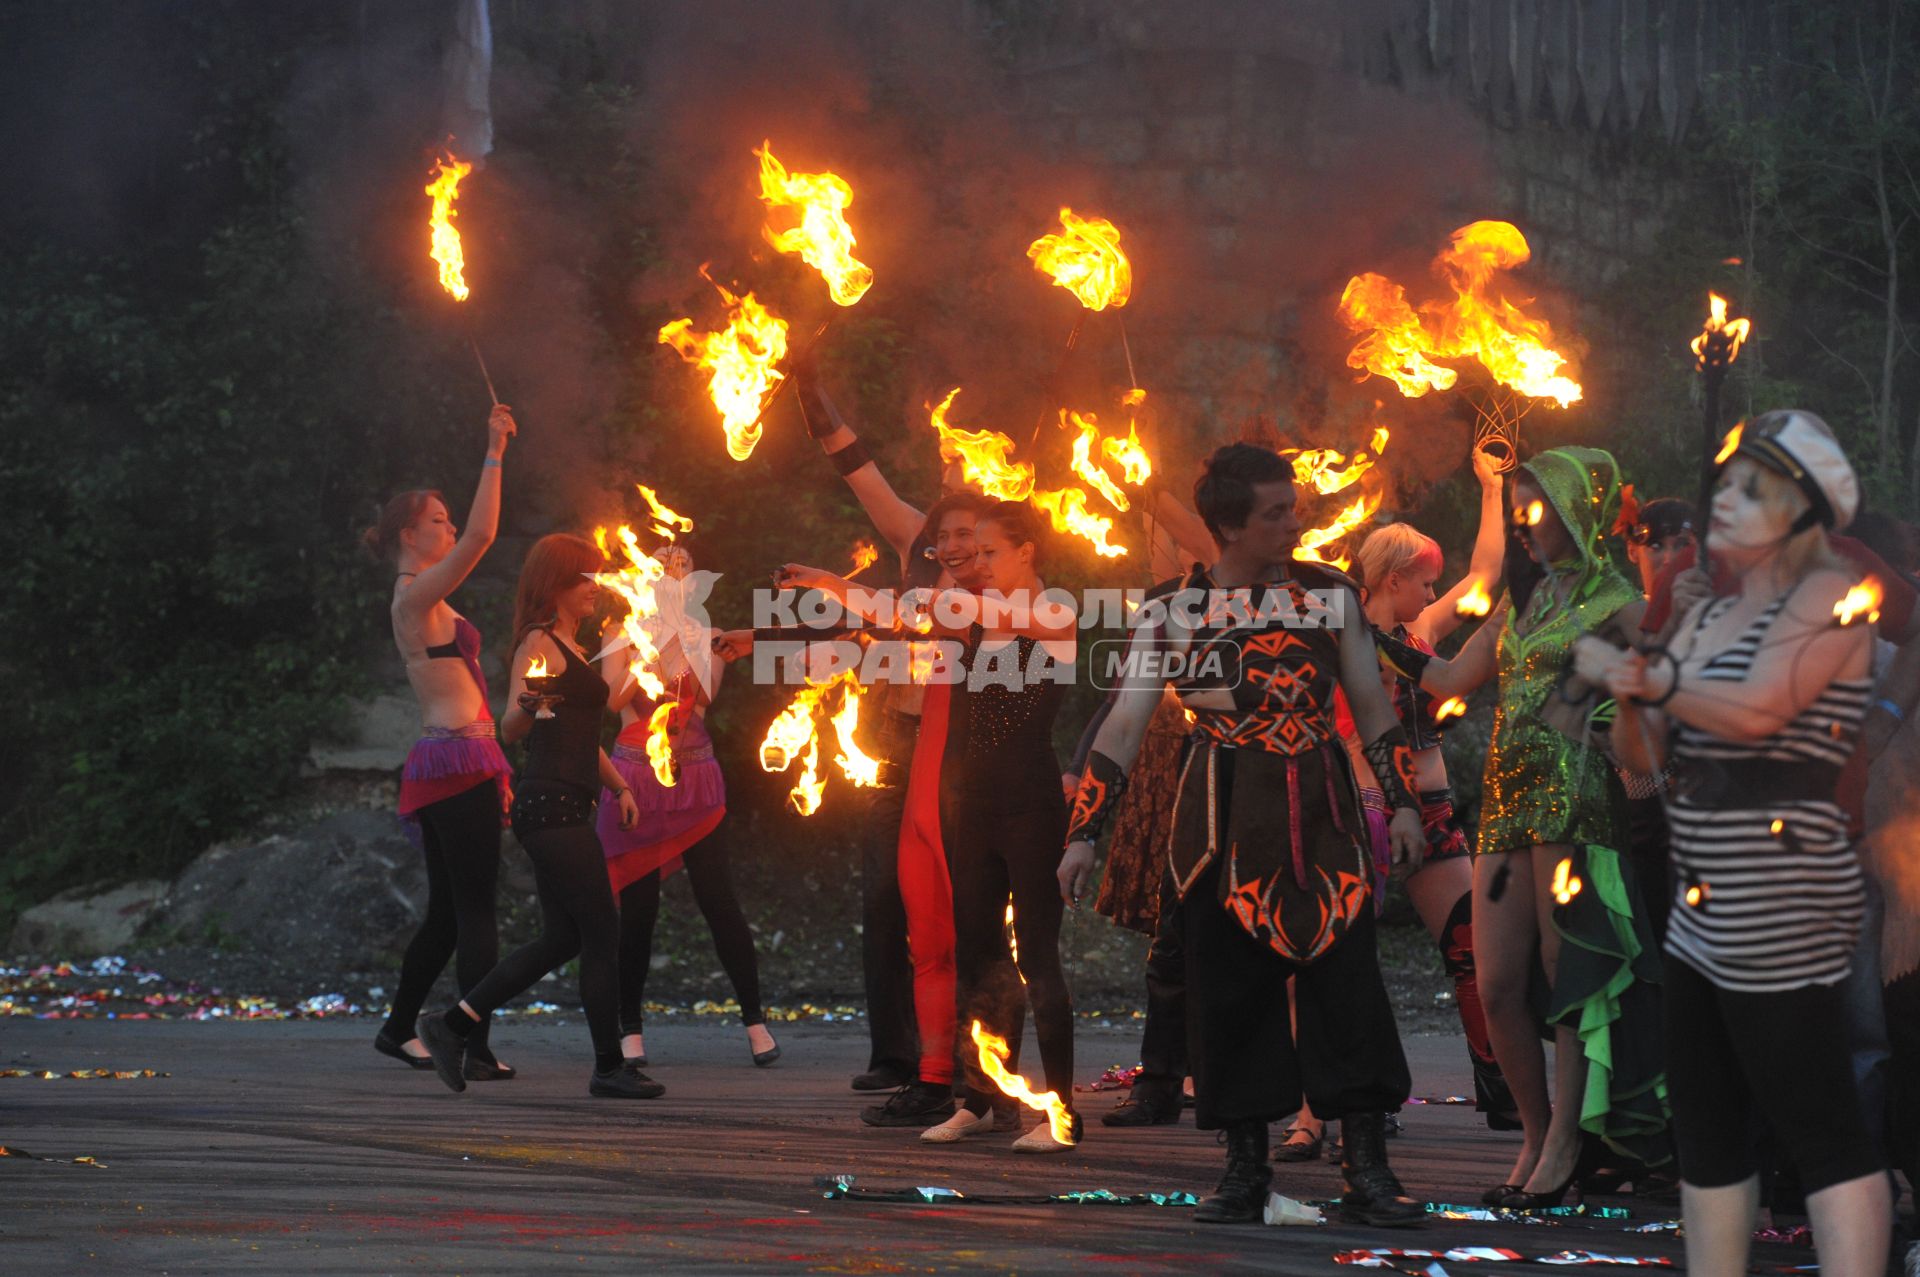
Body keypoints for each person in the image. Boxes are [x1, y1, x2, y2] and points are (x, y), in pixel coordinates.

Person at [1059, 443, 1426, 1226]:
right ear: (1227, 523)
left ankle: (1369, 1167)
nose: (1294, 523)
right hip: (1218, 823)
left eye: (1292, 508)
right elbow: (1124, 723)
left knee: (1348, 992)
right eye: (1275, 513)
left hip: (1326, 821)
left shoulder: (1329, 595)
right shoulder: (1169, 609)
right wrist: (1084, 831)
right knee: (1228, 996)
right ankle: (1245, 1168)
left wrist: (1402, 805)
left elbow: (1374, 707)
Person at [1577, 410, 1891, 1276]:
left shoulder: (1831, 595)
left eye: (1753, 489)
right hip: (1701, 888)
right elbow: (1640, 755)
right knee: (1707, 1124)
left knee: (1817, 1114)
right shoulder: (1706, 612)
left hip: (1786, 884)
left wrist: (1658, 674)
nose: (1725, 503)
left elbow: (1762, 707)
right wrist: (1641, 684)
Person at [1390, 447, 1670, 1208]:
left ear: (1580, 506)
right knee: (1499, 978)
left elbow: (1650, 702)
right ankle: (1535, 1132)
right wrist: (1369, 632)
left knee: (1571, 974)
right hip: (1509, 803)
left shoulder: (1620, 601)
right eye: (1518, 508)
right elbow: (1449, 679)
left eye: (1536, 505)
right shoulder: (1525, 600)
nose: (1525, 520)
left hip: (1578, 802)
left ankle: (1566, 1145)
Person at [776, 500, 1081, 1152]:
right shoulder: (968, 614)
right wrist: (829, 584)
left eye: (991, 551)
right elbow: (895, 612)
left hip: (1030, 806)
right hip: (970, 809)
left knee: (1037, 954)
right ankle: (977, 1098)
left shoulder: (1054, 612)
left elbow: (989, 614)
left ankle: (1062, 1112)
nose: (979, 563)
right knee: (977, 954)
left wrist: (955, 604)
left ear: (1027, 552)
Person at [789, 365, 978, 1107]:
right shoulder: (915, 543)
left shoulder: (997, 574)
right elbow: (854, 464)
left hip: (960, 750)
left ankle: (960, 1056)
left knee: (956, 905)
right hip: (897, 741)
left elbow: (918, 623)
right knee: (882, 896)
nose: (951, 538)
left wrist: (837, 591)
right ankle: (894, 1053)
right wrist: (808, 385)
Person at [1317, 441, 1513, 1155]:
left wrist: (1493, 490)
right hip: (1360, 808)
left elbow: (1486, 576)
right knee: (1345, 956)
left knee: (1472, 944)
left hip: (1429, 810)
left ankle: (1501, 1088)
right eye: (1425, 583)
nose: (1434, 596)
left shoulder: (1419, 632)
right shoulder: (1338, 637)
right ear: (1394, 578)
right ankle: (1346, 1104)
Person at [418, 534, 661, 1099]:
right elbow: (511, 725)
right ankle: (608, 1067)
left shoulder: (572, 647)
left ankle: (450, 1026)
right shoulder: (540, 643)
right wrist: (528, 706)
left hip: (567, 801)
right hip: (549, 805)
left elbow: (579, 735)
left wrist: (620, 786)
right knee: (602, 929)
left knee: (562, 938)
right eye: (585, 577)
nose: (596, 586)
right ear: (557, 585)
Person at [367, 404, 518, 1081]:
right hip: (455, 763)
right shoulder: (412, 596)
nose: (451, 528)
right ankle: (473, 1044)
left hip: (462, 754)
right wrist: (493, 448)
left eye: (450, 521)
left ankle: (401, 1029)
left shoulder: (430, 599)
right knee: (477, 907)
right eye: (438, 520)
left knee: (453, 913)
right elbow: (484, 535)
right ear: (407, 532)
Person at [598, 544, 775, 1069]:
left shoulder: (703, 631)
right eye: (665, 568)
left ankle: (756, 1022)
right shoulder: (620, 629)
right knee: (639, 908)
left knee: (719, 899)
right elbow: (611, 699)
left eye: (683, 569)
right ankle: (630, 1029)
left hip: (695, 778)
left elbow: (706, 695)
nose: (675, 577)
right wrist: (646, 652)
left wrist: (682, 643)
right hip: (636, 776)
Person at [1614, 496, 1696, 947]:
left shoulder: (1714, 613)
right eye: (1655, 546)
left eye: (1681, 544)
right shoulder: (1618, 619)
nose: (1668, 557)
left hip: (1703, 818)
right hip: (1635, 822)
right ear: (1632, 550)